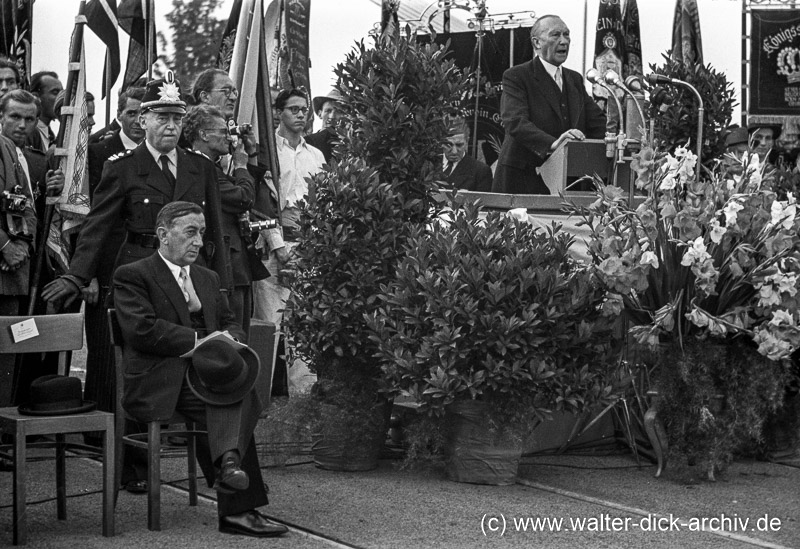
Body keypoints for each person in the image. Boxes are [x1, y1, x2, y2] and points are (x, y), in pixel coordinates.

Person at [113, 201, 287, 538]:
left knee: (238, 387)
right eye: (190, 232)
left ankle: (230, 468)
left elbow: (229, 323)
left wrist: (229, 340)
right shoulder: (133, 274)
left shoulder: (207, 278)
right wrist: (203, 341)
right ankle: (237, 502)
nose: (197, 241)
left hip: (204, 374)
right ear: (163, 234)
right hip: (159, 378)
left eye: (202, 233)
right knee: (234, 396)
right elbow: (142, 330)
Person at [42, 70, 230, 319]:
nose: (171, 126)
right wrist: (77, 275)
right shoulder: (122, 167)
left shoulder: (201, 167)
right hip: (140, 271)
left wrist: (221, 285)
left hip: (191, 272)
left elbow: (214, 230)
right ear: (144, 121)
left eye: (177, 118)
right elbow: (98, 226)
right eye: (162, 118)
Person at [252, 87, 323, 393]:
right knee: (269, 325)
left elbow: (323, 203)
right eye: (293, 109)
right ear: (277, 112)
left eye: (304, 110)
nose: (300, 115)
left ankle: (303, 401)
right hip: (272, 245)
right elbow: (261, 201)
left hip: (307, 245)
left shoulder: (315, 155)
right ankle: (260, 400)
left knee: (304, 325)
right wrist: (278, 245)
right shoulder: (269, 151)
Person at [492, 14, 606, 195]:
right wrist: (554, 144)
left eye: (567, 35)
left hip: (565, 185)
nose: (564, 41)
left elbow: (597, 122)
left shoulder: (574, 79)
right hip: (522, 181)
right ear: (537, 43)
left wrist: (619, 138)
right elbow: (515, 122)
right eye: (556, 35)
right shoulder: (517, 76)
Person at [184, 104, 266, 339]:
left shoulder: (213, 168)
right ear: (203, 134)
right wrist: (240, 165)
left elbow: (247, 190)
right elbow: (243, 198)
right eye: (222, 131)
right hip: (224, 267)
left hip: (236, 266)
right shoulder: (200, 168)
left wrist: (250, 157)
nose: (228, 137)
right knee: (233, 338)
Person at [0, 131, 34, 406]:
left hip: (9, 277)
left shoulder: (9, 147)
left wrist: (22, 245)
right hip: (5, 259)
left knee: (4, 369)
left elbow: (26, 203)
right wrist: (4, 246)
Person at [441, 117, 493, 192]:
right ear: (440, 142)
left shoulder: (481, 172)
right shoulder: (428, 165)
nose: (454, 151)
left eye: (459, 145)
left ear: (467, 141)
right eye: (448, 145)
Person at [28, 71, 63, 152]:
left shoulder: (49, 134)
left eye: (62, 93)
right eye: (55, 92)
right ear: (36, 97)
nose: (61, 98)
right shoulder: (28, 132)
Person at [305, 88, 343, 163]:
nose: (332, 116)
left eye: (338, 111)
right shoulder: (308, 141)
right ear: (320, 114)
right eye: (328, 111)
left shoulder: (348, 145)